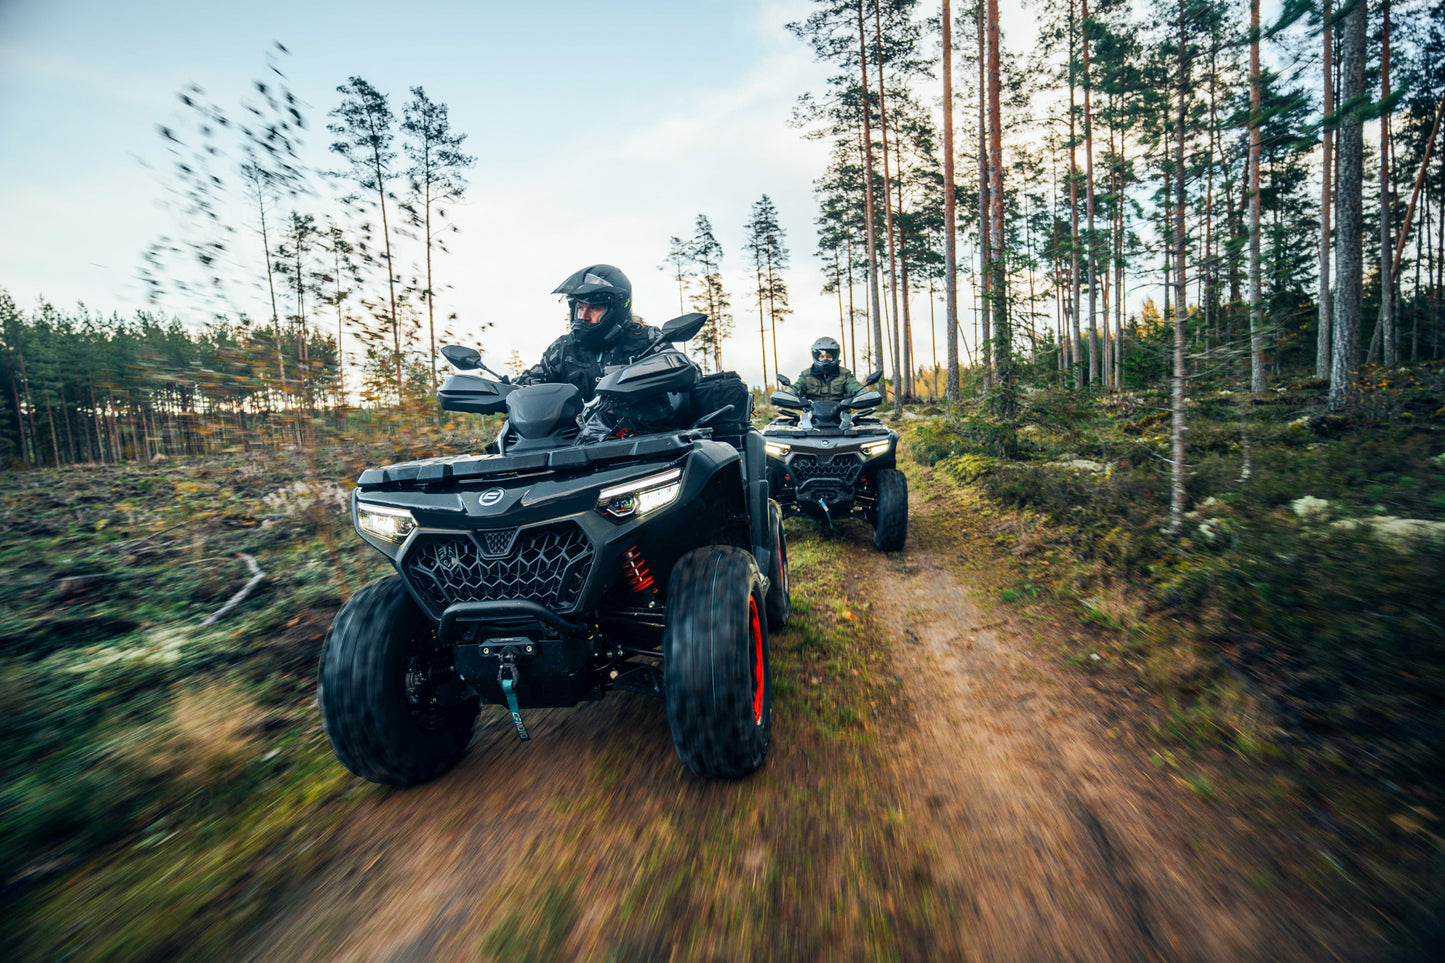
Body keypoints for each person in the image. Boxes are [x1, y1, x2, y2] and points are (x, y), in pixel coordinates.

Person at [515, 264, 661, 402]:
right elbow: (534, 382)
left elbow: (678, 366)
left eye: (594, 308)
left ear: (617, 308)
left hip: (648, 428)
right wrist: (507, 390)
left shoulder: (648, 338)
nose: (583, 316)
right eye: (580, 307)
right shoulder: (563, 348)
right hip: (582, 429)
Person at [792, 336, 864, 401]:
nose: (825, 360)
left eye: (828, 357)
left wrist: (864, 394)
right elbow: (796, 388)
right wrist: (787, 395)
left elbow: (855, 387)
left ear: (835, 357)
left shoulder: (844, 374)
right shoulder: (806, 375)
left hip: (840, 413)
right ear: (817, 357)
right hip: (811, 414)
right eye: (822, 357)